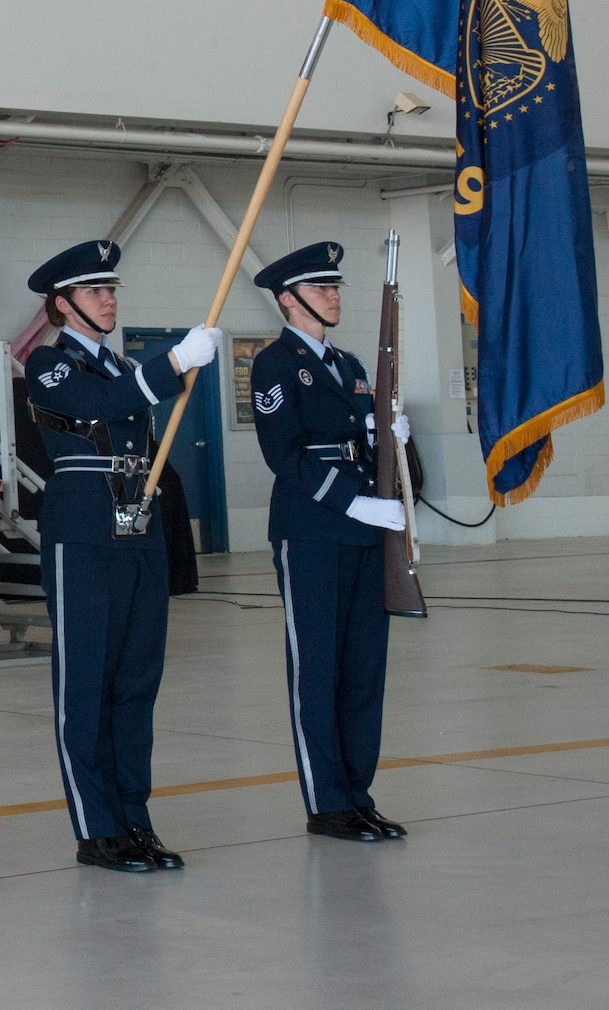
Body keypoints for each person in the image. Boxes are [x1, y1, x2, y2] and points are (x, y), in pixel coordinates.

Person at [22, 240, 219, 874]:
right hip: (83, 530)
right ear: (63, 304)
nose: (109, 299)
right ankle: (95, 826)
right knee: (87, 683)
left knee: (136, 682)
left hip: (138, 525)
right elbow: (104, 407)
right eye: (94, 290)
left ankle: (134, 817)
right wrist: (174, 362)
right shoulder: (49, 364)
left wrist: (166, 370)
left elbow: (127, 399)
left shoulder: (119, 368)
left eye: (112, 289)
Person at [249, 242, 410, 843]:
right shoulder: (275, 364)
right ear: (288, 299)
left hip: (366, 531)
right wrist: (353, 500)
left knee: (364, 670)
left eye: (335, 286)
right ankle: (326, 803)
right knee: (317, 669)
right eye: (321, 288)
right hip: (313, 529)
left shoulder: (350, 365)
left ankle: (357, 796)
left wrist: (389, 437)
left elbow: (363, 444)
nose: (334, 295)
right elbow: (283, 455)